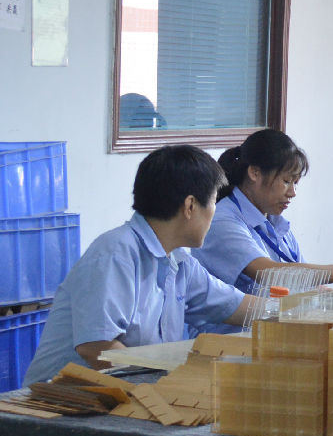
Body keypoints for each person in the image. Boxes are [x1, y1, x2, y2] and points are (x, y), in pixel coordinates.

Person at [24, 145, 254, 384]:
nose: (214, 213)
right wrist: (166, 384)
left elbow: (235, 305)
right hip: (60, 400)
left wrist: (279, 312)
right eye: (214, 202)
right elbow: (96, 347)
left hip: (128, 393)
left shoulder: (179, 261)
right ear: (190, 206)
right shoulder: (115, 253)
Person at [193, 129, 333, 294]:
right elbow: (271, 274)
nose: (293, 192)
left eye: (296, 183)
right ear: (255, 173)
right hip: (241, 312)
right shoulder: (222, 220)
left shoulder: (275, 221)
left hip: (278, 310)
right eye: (286, 181)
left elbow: (303, 283)